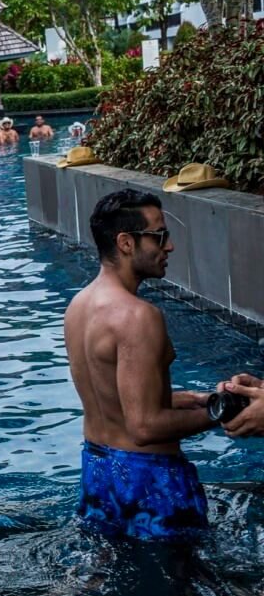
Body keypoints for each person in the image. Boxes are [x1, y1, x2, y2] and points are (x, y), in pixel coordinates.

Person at [64, 190, 215, 542]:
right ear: (126, 243)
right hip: (150, 479)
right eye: (159, 236)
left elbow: (113, 399)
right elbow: (144, 427)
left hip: (98, 469)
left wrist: (189, 399)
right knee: (181, 587)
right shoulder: (139, 316)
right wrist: (221, 412)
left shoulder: (78, 307)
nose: (169, 246)